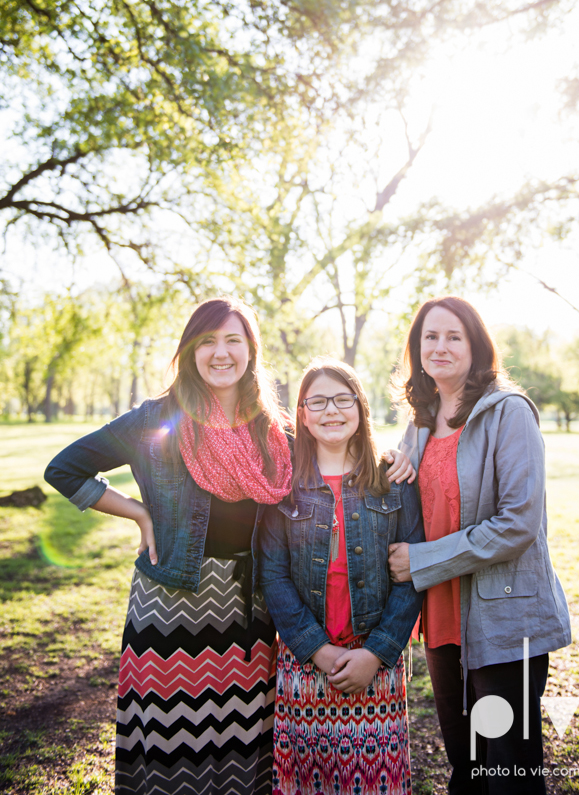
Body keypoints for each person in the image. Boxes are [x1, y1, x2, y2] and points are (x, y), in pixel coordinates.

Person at [44, 296, 293, 795]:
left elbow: (340, 456)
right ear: (189, 351)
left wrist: (396, 462)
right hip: (170, 609)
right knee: (167, 748)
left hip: (251, 611)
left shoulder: (274, 429)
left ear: (251, 350)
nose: (220, 353)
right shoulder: (155, 417)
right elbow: (64, 469)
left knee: (243, 751)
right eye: (207, 342)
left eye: (232, 341)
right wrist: (138, 512)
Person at [387, 295, 571, 794]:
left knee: (508, 770)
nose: (440, 346)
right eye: (430, 336)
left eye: (454, 336)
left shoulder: (508, 413)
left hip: (505, 621)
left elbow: (517, 525)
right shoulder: (420, 423)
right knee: (465, 766)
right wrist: (390, 466)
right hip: (443, 619)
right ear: (417, 347)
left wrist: (422, 561)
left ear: (476, 346)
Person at [259, 358, 424, 795]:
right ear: (302, 415)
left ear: (361, 407)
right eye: (317, 401)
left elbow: (410, 577)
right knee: (308, 780)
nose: (331, 410)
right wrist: (317, 650)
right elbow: (273, 574)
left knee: (374, 782)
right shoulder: (284, 485)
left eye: (342, 399)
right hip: (306, 662)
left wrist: (377, 653)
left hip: (376, 665)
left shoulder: (396, 480)